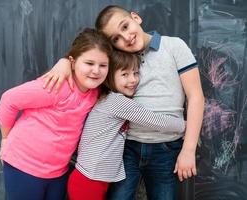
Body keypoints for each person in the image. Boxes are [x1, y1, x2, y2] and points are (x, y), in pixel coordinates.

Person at [42, 5, 204, 200]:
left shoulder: (173, 46)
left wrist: (188, 149)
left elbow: (195, 96)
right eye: (116, 39)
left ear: (136, 17)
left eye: (125, 26)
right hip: (127, 148)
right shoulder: (118, 59)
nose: (126, 37)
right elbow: (89, 57)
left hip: (166, 148)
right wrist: (65, 62)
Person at [0, 28, 112, 200]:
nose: (96, 71)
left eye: (103, 65)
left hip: (57, 172)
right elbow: (9, 99)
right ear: (73, 62)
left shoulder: (95, 93)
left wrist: (64, 61)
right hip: (24, 166)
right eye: (89, 63)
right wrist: (5, 138)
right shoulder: (57, 85)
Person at [67, 49, 186, 200]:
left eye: (136, 73)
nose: (133, 80)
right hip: (89, 181)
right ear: (110, 77)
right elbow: (155, 120)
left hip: (95, 179)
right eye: (125, 74)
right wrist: (186, 125)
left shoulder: (109, 98)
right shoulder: (117, 102)